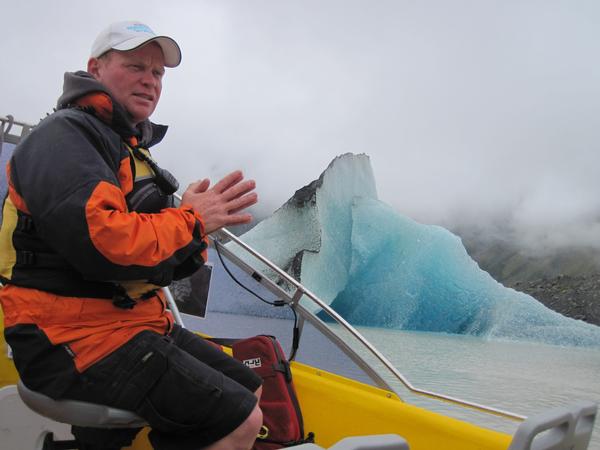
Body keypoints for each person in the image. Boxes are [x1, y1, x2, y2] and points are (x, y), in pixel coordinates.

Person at [0, 21, 263, 450]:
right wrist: (190, 221)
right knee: (239, 420)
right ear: (95, 69)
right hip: (66, 338)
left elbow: (156, 262)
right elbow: (101, 245)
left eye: (158, 73)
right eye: (135, 65)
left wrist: (194, 232)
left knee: (248, 386)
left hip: (129, 323)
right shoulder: (64, 138)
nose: (149, 80)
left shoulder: (123, 146)